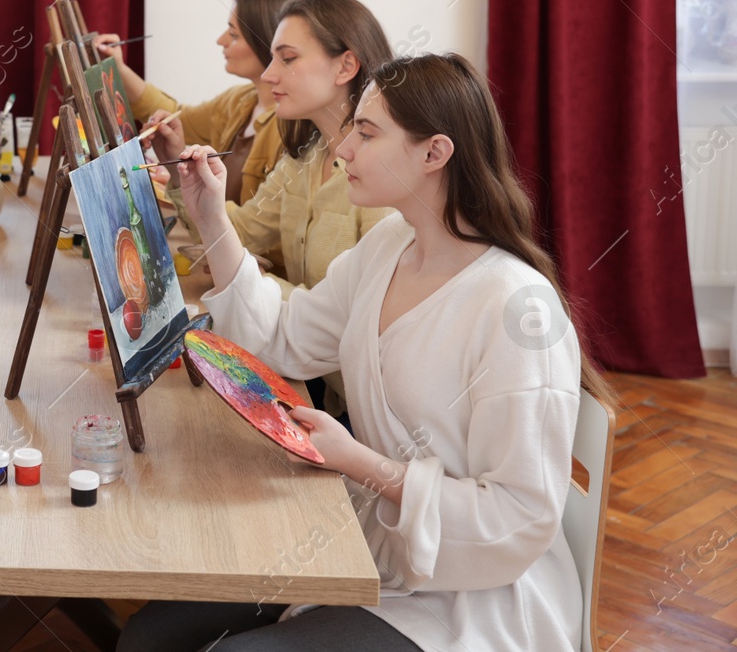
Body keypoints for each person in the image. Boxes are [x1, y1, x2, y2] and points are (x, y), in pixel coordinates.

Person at [119, 53, 607, 652]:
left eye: (366, 134)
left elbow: (518, 519)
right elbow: (285, 338)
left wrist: (359, 462)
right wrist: (211, 217)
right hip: (366, 539)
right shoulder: (389, 246)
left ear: (435, 153)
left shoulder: (516, 309)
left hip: (472, 597)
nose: (342, 149)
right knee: (147, 637)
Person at [94, 0, 306, 204]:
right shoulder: (240, 100)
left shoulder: (292, 127)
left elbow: (251, 227)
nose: (220, 41)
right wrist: (119, 68)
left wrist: (188, 186)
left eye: (234, 35)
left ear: (268, 40)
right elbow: (177, 114)